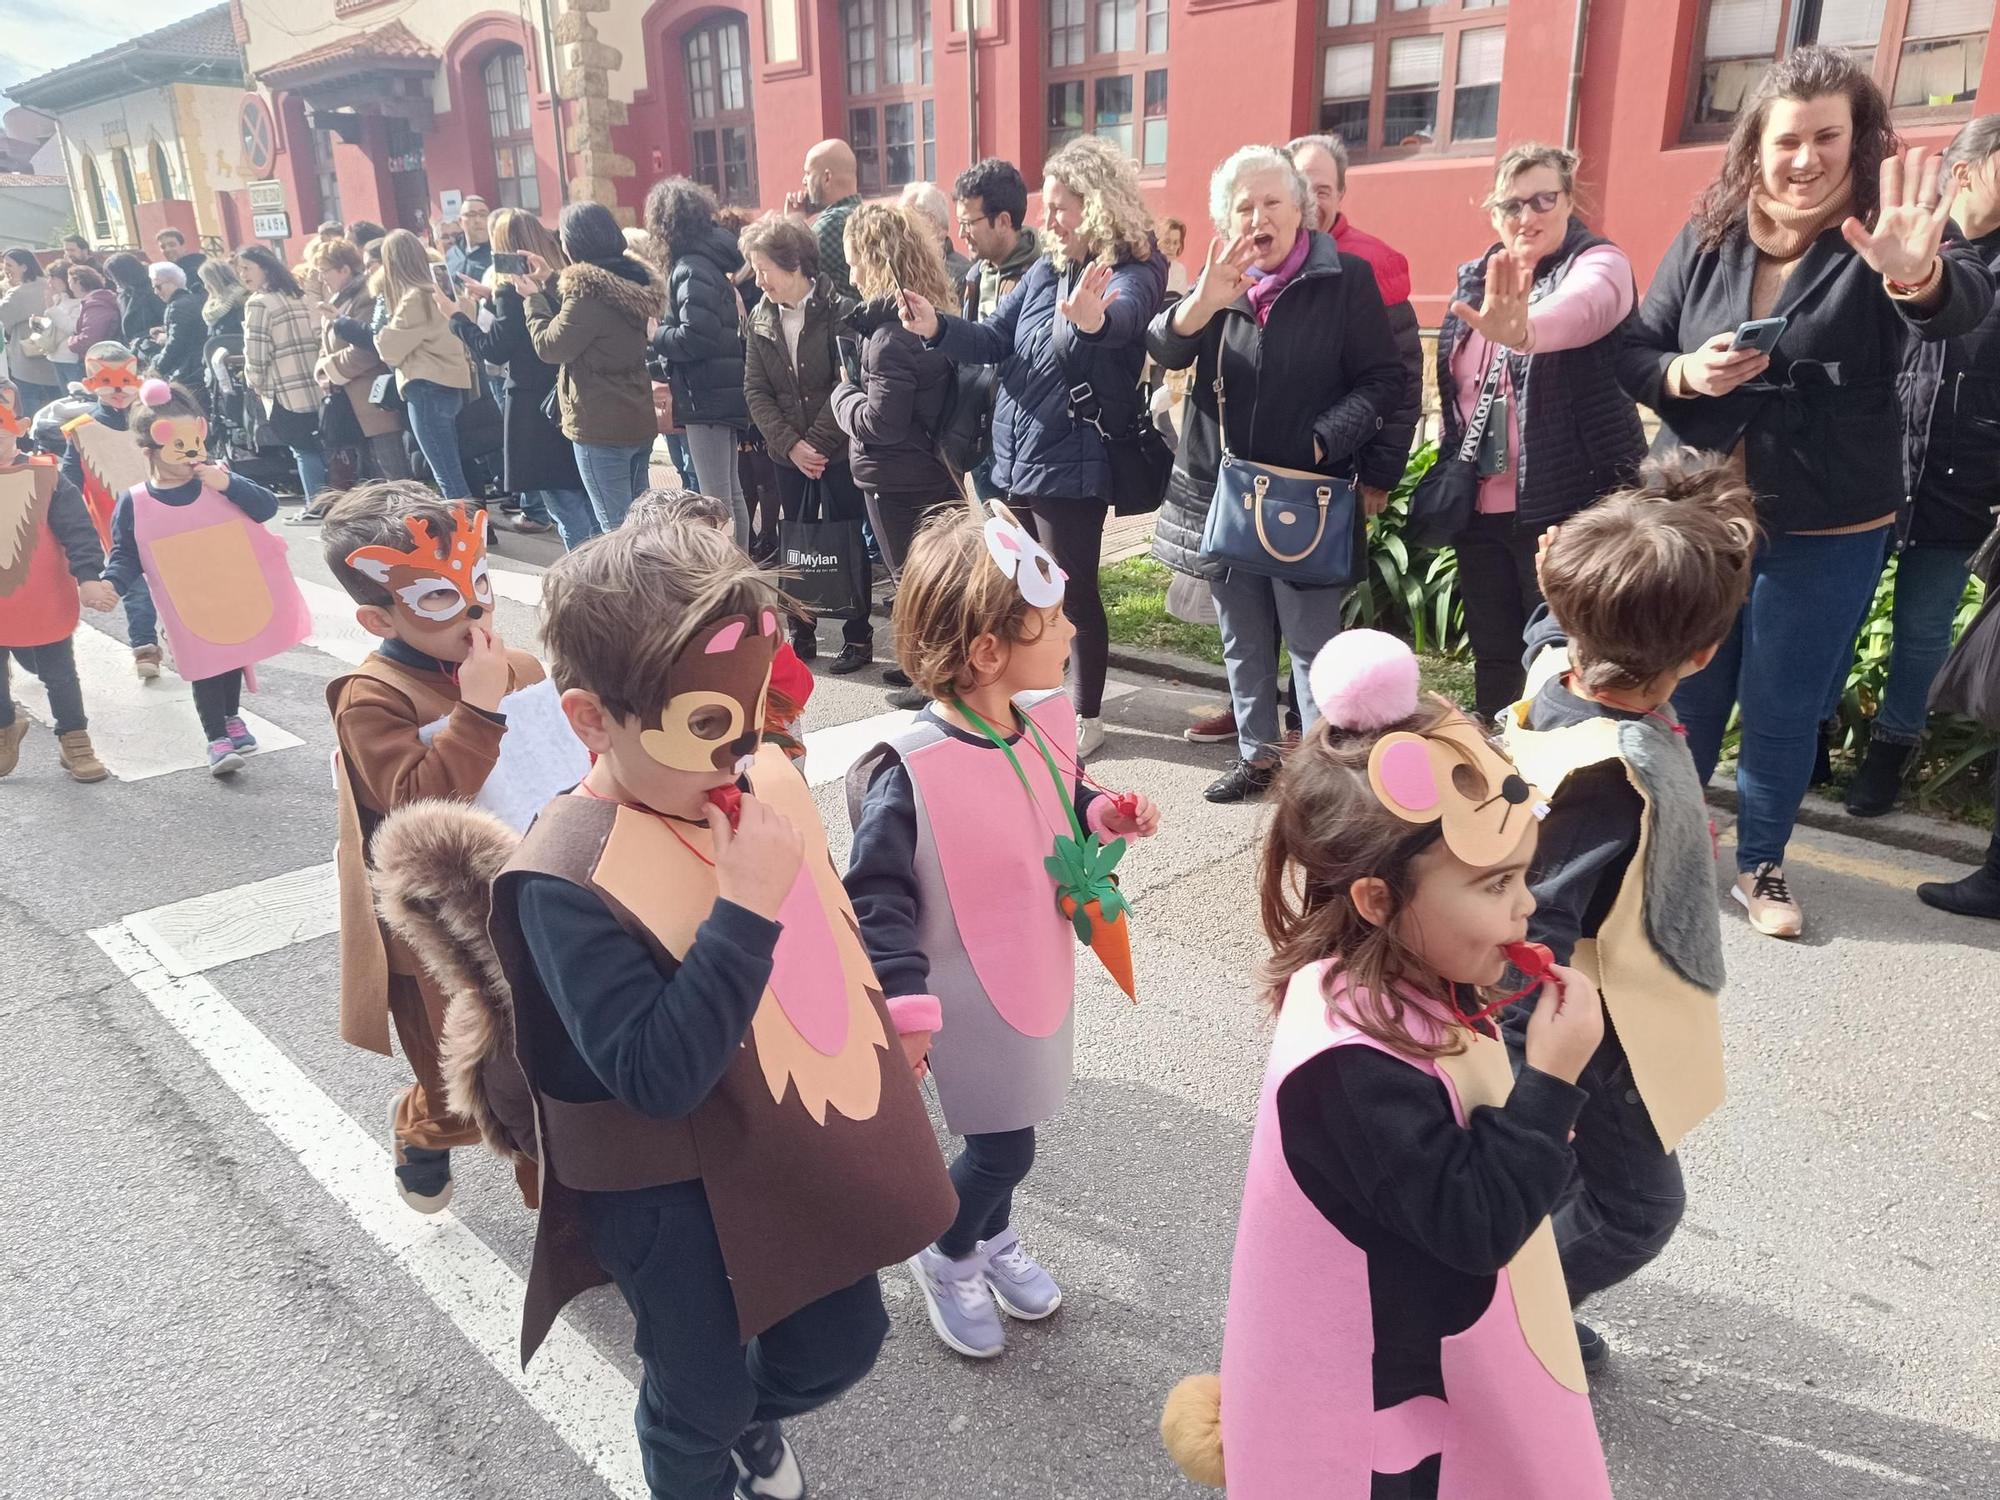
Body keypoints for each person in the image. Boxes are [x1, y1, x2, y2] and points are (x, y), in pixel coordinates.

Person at [378, 518, 957, 1499]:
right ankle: (702, 1454)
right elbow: (653, 1075)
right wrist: (743, 907)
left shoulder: (743, 783)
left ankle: (752, 1420)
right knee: (699, 1395)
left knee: (841, 1342)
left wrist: (874, 1015)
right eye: (705, 728)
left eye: (755, 722)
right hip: (658, 1193)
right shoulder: (562, 877)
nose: (739, 759)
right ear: (592, 720)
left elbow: (822, 923)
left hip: (771, 1132)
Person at [1159, 627, 1611, 1500]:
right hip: (1383, 1417)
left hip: (1424, 1363)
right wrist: (1551, 1082)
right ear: (1375, 898)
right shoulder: (1351, 1069)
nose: (1528, 909)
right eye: (1493, 886)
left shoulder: (1403, 977)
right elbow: (1476, 1225)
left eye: (1526, 876)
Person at [1617, 45, 1992, 939]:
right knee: (1686, 696)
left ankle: (1762, 867)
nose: (1805, 157)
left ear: (1856, 140)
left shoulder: (1881, 230)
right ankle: (1667, 855)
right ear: (1757, 144)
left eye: (1828, 136)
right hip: (1699, 518)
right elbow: (1635, 348)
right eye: (1788, 138)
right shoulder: (1711, 233)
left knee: (1785, 705)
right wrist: (1685, 372)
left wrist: (1917, 275)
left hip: (1828, 519)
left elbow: (1960, 308)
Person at [846, 503, 1161, 1359]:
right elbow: (876, 894)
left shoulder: (1040, 725)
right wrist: (905, 1006)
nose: (1070, 629)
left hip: (1031, 963)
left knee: (1017, 1120)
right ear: (989, 652)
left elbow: (1063, 792)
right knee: (1003, 1146)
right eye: (1051, 620)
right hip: (961, 990)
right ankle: (947, 1252)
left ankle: (987, 1239)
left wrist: (1106, 810)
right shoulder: (912, 770)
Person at [1496, 453, 1757, 1370]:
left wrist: (1554, 593)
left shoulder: (1553, 674)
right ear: (1703, 654)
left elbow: (1550, 632)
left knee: (1562, 1182)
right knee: (1635, 1209)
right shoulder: (1613, 778)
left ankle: (1512, 1294)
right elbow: (1536, 937)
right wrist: (1542, 1090)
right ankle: (1511, 1323)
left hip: (1589, 1028)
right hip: (1604, 1043)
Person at [1147, 145, 1407, 803]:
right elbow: (1164, 347)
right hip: (1229, 493)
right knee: (1242, 638)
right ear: (1226, 220)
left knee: (1312, 645)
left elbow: (1384, 380)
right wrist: (1200, 303)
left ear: (1301, 209)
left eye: (1271, 201)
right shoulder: (1221, 282)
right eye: (1244, 206)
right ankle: (1257, 758)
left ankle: (1318, 777)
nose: (1258, 217)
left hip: (1308, 497)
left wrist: (1324, 442)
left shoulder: (1344, 279)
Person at [322, 484, 555, 1212]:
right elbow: (419, 808)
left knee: (547, 1074)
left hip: (531, 896)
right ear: (376, 616)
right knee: (470, 1088)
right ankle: (419, 1126)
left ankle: (570, 1219)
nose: (476, 610)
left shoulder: (513, 663)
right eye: (438, 599)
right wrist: (479, 708)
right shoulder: (373, 697)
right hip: (445, 938)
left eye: (478, 582)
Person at [901, 135, 1168, 758]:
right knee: (1013, 585)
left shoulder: (1135, 266)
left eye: (1061, 206)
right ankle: (1023, 693)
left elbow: (1126, 318)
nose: (1048, 219)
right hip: (1016, 451)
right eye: (1048, 206)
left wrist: (1092, 320)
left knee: (1071, 590)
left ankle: (1087, 712)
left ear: (1097, 205)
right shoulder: (1048, 266)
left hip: (1074, 455)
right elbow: (995, 337)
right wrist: (937, 327)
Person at [1438, 143, 1649, 723]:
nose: (1526, 216)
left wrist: (1525, 329)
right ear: (1493, 213)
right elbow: (1459, 396)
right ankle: (1494, 773)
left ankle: (1554, 775)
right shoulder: (1480, 279)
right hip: (1483, 506)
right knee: (1493, 650)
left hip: (1567, 507)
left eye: (1542, 199)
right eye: (1512, 204)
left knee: (1561, 652)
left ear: (1568, 199)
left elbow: (1583, 310)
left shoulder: (1598, 264)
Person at [1847, 116, 2000, 817]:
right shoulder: (1905, 242)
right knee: (1840, 615)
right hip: (1875, 472)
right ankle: (1815, 738)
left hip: (1964, 482)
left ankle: (1889, 755)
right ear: (1968, 172)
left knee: (1922, 632)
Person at [100, 378, 311, 775]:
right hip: (187, 601)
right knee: (205, 663)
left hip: (232, 590)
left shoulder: (219, 482)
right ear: (150, 450)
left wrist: (228, 483)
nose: (189, 454)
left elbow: (265, 508)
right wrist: (112, 583)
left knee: (231, 655)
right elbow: (126, 553)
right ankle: (216, 736)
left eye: (194, 439)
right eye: (175, 445)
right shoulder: (136, 502)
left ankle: (231, 717)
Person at [833, 205, 963, 703]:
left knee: (915, 581)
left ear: (872, 260)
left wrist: (841, 395)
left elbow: (880, 424)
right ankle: (929, 674)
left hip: (898, 474)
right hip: (932, 465)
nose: (849, 273)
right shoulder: (929, 315)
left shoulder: (888, 337)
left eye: (852, 262)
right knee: (938, 576)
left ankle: (933, 683)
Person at [740, 211, 874, 668]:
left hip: (836, 453)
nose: (759, 281)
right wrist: (791, 446)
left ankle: (858, 634)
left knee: (847, 539)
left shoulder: (842, 311)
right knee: (793, 542)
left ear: (794, 263)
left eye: (764, 270)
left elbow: (849, 381)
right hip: (787, 455)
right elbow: (755, 389)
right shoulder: (760, 319)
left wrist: (815, 442)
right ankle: (802, 630)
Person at [623, 484, 818, 764]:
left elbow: (796, 688)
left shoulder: (741, 621)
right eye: (703, 549)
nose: (723, 556)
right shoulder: (623, 640)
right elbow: (797, 689)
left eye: (723, 541)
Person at [445, 210, 596, 548]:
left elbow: (495, 349)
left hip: (533, 404)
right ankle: (603, 568)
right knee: (583, 494)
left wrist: (458, 320)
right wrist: (490, 295)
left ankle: (591, 578)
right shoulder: (563, 279)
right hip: (570, 393)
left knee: (564, 504)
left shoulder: (511, 293)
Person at [515, 202, 663, 531]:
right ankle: (652, 579)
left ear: (573, 244)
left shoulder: (586, 294)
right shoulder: (632, 279)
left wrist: (533, 299)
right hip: (636, 417)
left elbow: (551, 346)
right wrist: (552, 279)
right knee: (640, 524)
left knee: (616, 530)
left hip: (600, 424)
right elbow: (594, 318)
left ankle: (630, 584)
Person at [0, 381, 116, 782]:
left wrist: (88, 576)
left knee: (58, 673)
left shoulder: (46, 477)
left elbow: (77, 530)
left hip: (42, 597)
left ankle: (75, 738)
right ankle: (4, 727)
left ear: (20, 426)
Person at [647, 177, 754, 546]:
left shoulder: (690, 265)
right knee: (730, 493)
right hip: (721, 390)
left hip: (704, 393)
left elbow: (695, 336)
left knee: (716, 498)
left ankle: (729, 573)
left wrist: (656, 335)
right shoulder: (710, 260)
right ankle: (741, 567)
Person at [57, 342, 159, 680]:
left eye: (125, 380)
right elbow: (68, 482)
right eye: (106, 381)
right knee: (135, 587)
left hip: (166, 517)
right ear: (90, 384)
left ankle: (186, 636)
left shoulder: (154, 421)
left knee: (177, 582)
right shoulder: (82, 432)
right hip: (118, 527)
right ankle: (145, 645)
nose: (118, 390)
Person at [950, 158, 1042, 502]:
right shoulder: (974, 276)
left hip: (1027, 436)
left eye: (968, 223)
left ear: (1003, 221)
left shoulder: (1045, 276)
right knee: (997, 540)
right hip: (982, 434)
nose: (960, 234)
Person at [371, 229, 478, 503]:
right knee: (458, 465)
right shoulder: (443, 291)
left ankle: (466, 535)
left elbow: (389, 350)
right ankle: (478, 529)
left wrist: (380, 316)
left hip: (425, 386)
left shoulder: (413, 298)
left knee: (446, 473)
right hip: (454, 384)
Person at [307, 236, 411, 493]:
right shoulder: (337, 299)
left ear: (344, 269)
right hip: (349, 403)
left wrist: (330, 370)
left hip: (373, 401)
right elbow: (326, 344)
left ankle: (412, 522)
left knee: (393, 473)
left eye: (325, 271)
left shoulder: (365, 296)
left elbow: (368, 350)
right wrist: (321, 369)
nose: (322, 279)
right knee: (370, 478)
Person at [237, 243, 329, 508]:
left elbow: (256, 354)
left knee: (302, 449)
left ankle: (316, 505)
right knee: (319, 446)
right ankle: (329, 503)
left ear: (264, 268)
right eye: (239, 269)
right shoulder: (298, 295)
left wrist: (256, 384)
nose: (243, 274)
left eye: (247, 267)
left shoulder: (258, 303)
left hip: (284, 388)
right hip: (314, 383)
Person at [791, 139, 864, 301]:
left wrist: (793, 223)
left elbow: (789, 272)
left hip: (842, 324)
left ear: (826, 178)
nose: (804, 181)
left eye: (808, 173)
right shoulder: (862, 215)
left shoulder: (831, 223)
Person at [0, 249, 59, 419]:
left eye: (9, 265)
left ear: (24, 267)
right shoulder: (48, 285)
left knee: (28, 410)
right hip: (52, 354)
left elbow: (3, 319)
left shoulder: (17, 294)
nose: (5, 269)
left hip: (26, 362)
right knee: (56, 404)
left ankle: (33, 441)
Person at [899, 182, 971, 287]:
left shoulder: (965, 277)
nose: (899, 229)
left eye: (905, 221)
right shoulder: (904, 270)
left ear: (930, 222)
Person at [148, 262, 206, 388]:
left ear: (172, 282)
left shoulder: (178, 306)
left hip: (190, 370)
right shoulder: (194, 300)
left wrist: (157, 369)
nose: (155, 292)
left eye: (158, 287)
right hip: (199, 366)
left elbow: (176, 344)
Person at [103, 253, 165, 359]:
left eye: (114, 277)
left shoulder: (153, 291)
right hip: (135, 349)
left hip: (153, 348)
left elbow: (165, 320)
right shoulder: (124, 295)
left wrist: (143, 337)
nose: (113, 281)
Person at [38, 263, 83, 389]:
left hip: (71, 357)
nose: (50, 282)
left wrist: (51, 308)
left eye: (53, 277)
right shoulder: (58, 298)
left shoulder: (79, 302)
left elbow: (71, 327)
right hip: (55, 355)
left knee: (78, 394)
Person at [66, 266, 121, 359]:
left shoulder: (96, 305)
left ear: (78, 282)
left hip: (102, 359)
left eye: (70, 282)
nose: (69, 286)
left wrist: (71, 341)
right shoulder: (103, 298)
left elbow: (90, 339)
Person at [197, 258, 248, 343]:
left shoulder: (240, 302)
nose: (205, 287)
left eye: (206, 282)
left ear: (214, 282)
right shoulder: (213, 307)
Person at [444, 196, 492, 282]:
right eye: (471, 215)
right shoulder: (452, 254)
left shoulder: (496, 254)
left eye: (483, 215)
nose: (478, 220)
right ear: (460, 222)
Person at [1158, 217, 1191, 297]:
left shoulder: (1180, 270)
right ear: (1157, 242)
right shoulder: (1146, 270)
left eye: (1175, 243)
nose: (1172, 248)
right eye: (1167, 242)